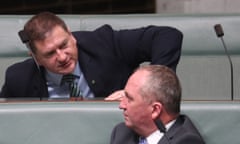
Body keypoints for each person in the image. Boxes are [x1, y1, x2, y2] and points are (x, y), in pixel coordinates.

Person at [0, 11, 183, 100]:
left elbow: (168, 36)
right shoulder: (18, 78)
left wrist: (148, 87)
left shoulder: (105, 44)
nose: (62, 57)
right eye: (50, 54)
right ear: (35, 57)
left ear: (71, 36)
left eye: (64, 45)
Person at [110, 65, 205, 144]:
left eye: (129, 99)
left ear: (155, 110)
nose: (121, 105)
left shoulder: (187, 141)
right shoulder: (121, 133)